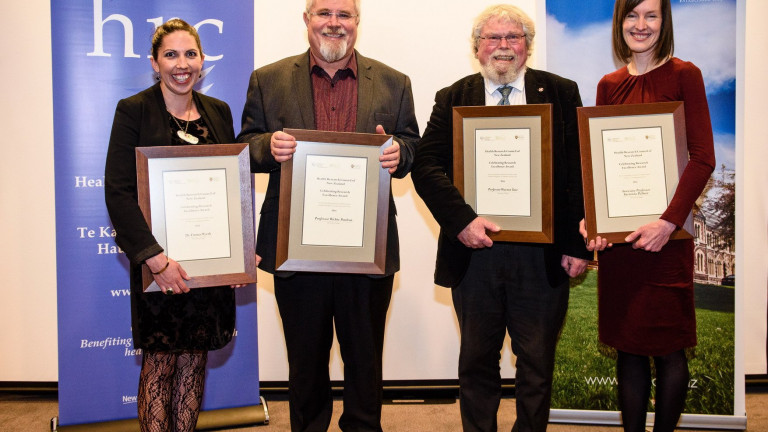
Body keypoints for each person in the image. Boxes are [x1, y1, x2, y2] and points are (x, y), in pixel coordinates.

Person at [236, 0, 419, 430]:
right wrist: (269, 147)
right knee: (305, 363)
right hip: (296, 250)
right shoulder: (269, 79)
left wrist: (399, 152)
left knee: (365, 362)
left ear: (357, 23)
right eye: (324, 13)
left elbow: (413, 146)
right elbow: (246, 145)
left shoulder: (394, 82)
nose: (333, 23)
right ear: (307, 20)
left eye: (344, 14)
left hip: (367, 249)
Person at [411, 5, 591, 432]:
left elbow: (580, 169)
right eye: (493, 38)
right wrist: (462, 221)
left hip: (543, 258)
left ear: (528, 46)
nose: (504, 46)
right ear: (477, 48)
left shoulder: (562, 92)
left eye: (514, 37)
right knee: (476, 362)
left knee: (537, 364)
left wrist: (577, 243)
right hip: (476, 253)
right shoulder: (453, 96)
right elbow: (426, 165)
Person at [104, 19, 258, 432]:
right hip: (162, 269)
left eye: (190, 54)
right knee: (160, 368)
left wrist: (241, 250)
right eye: (171, 54)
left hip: (208, 269)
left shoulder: (219, 113)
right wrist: (155, 261)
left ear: (202, 60)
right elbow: (118, 193)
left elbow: (234, 186)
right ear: (155, 63)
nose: (181, 64)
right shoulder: (134, 111)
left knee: (194, 364)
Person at [580, 0, 716, 431]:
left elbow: (702, 159)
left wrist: (668, 222)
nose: (641, 25)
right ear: (620, 23)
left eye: (651, 15)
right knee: (628, 347)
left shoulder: (684, 75)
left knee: (670, 350)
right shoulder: (608, 84)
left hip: (666, 241)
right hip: (623, 246)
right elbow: (600, 164)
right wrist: (595, 220)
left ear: (665, 21)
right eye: (632, 15)